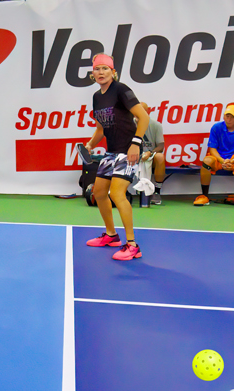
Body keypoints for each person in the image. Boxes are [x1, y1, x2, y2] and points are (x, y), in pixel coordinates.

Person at [82, 53, 151, 261]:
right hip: (111, 151)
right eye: (97, 69)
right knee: (99, 192)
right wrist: (90, 145)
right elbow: (101, 128)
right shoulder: (97, 97)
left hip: (128, 149)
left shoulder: (121, 90)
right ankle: (111, 235)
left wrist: (136, 143)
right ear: (92, 73)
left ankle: (132, 245)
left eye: (105, 68)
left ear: (113, 72)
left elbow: (143, 117)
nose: (100, 72)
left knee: (117, 193)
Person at [194, 104, 234, 209]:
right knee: (206, 161)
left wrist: (233, 160)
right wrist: (222, 161)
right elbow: (212, 149)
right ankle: (204, 196)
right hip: (219, 159)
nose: (228, 119)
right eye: (227, 116)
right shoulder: (216, 127)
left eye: (232, 117)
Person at [138, 102, 166, 205]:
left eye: (143, 111)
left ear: (148, 111)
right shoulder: (129, 124)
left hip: (150, 156)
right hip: (134, 155)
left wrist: (150, 153)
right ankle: (123, 192)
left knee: (160, 157)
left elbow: (161, 146)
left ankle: (157, 192)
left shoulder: (156, 125)